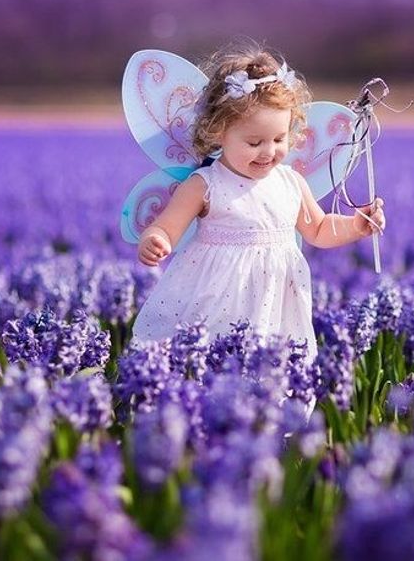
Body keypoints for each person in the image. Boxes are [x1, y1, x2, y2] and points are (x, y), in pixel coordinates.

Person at [131, 42, 386, 378]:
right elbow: (166, 227)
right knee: (212, 365)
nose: (269, 151)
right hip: (216, 297)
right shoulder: (204, 184)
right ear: (219, 133)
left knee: (272, 372)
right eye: (254, 142)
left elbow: (319, 229)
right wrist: (155, 239)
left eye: (279, 139)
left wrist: (356, 226)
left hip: (275, 302)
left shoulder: (291, 183)